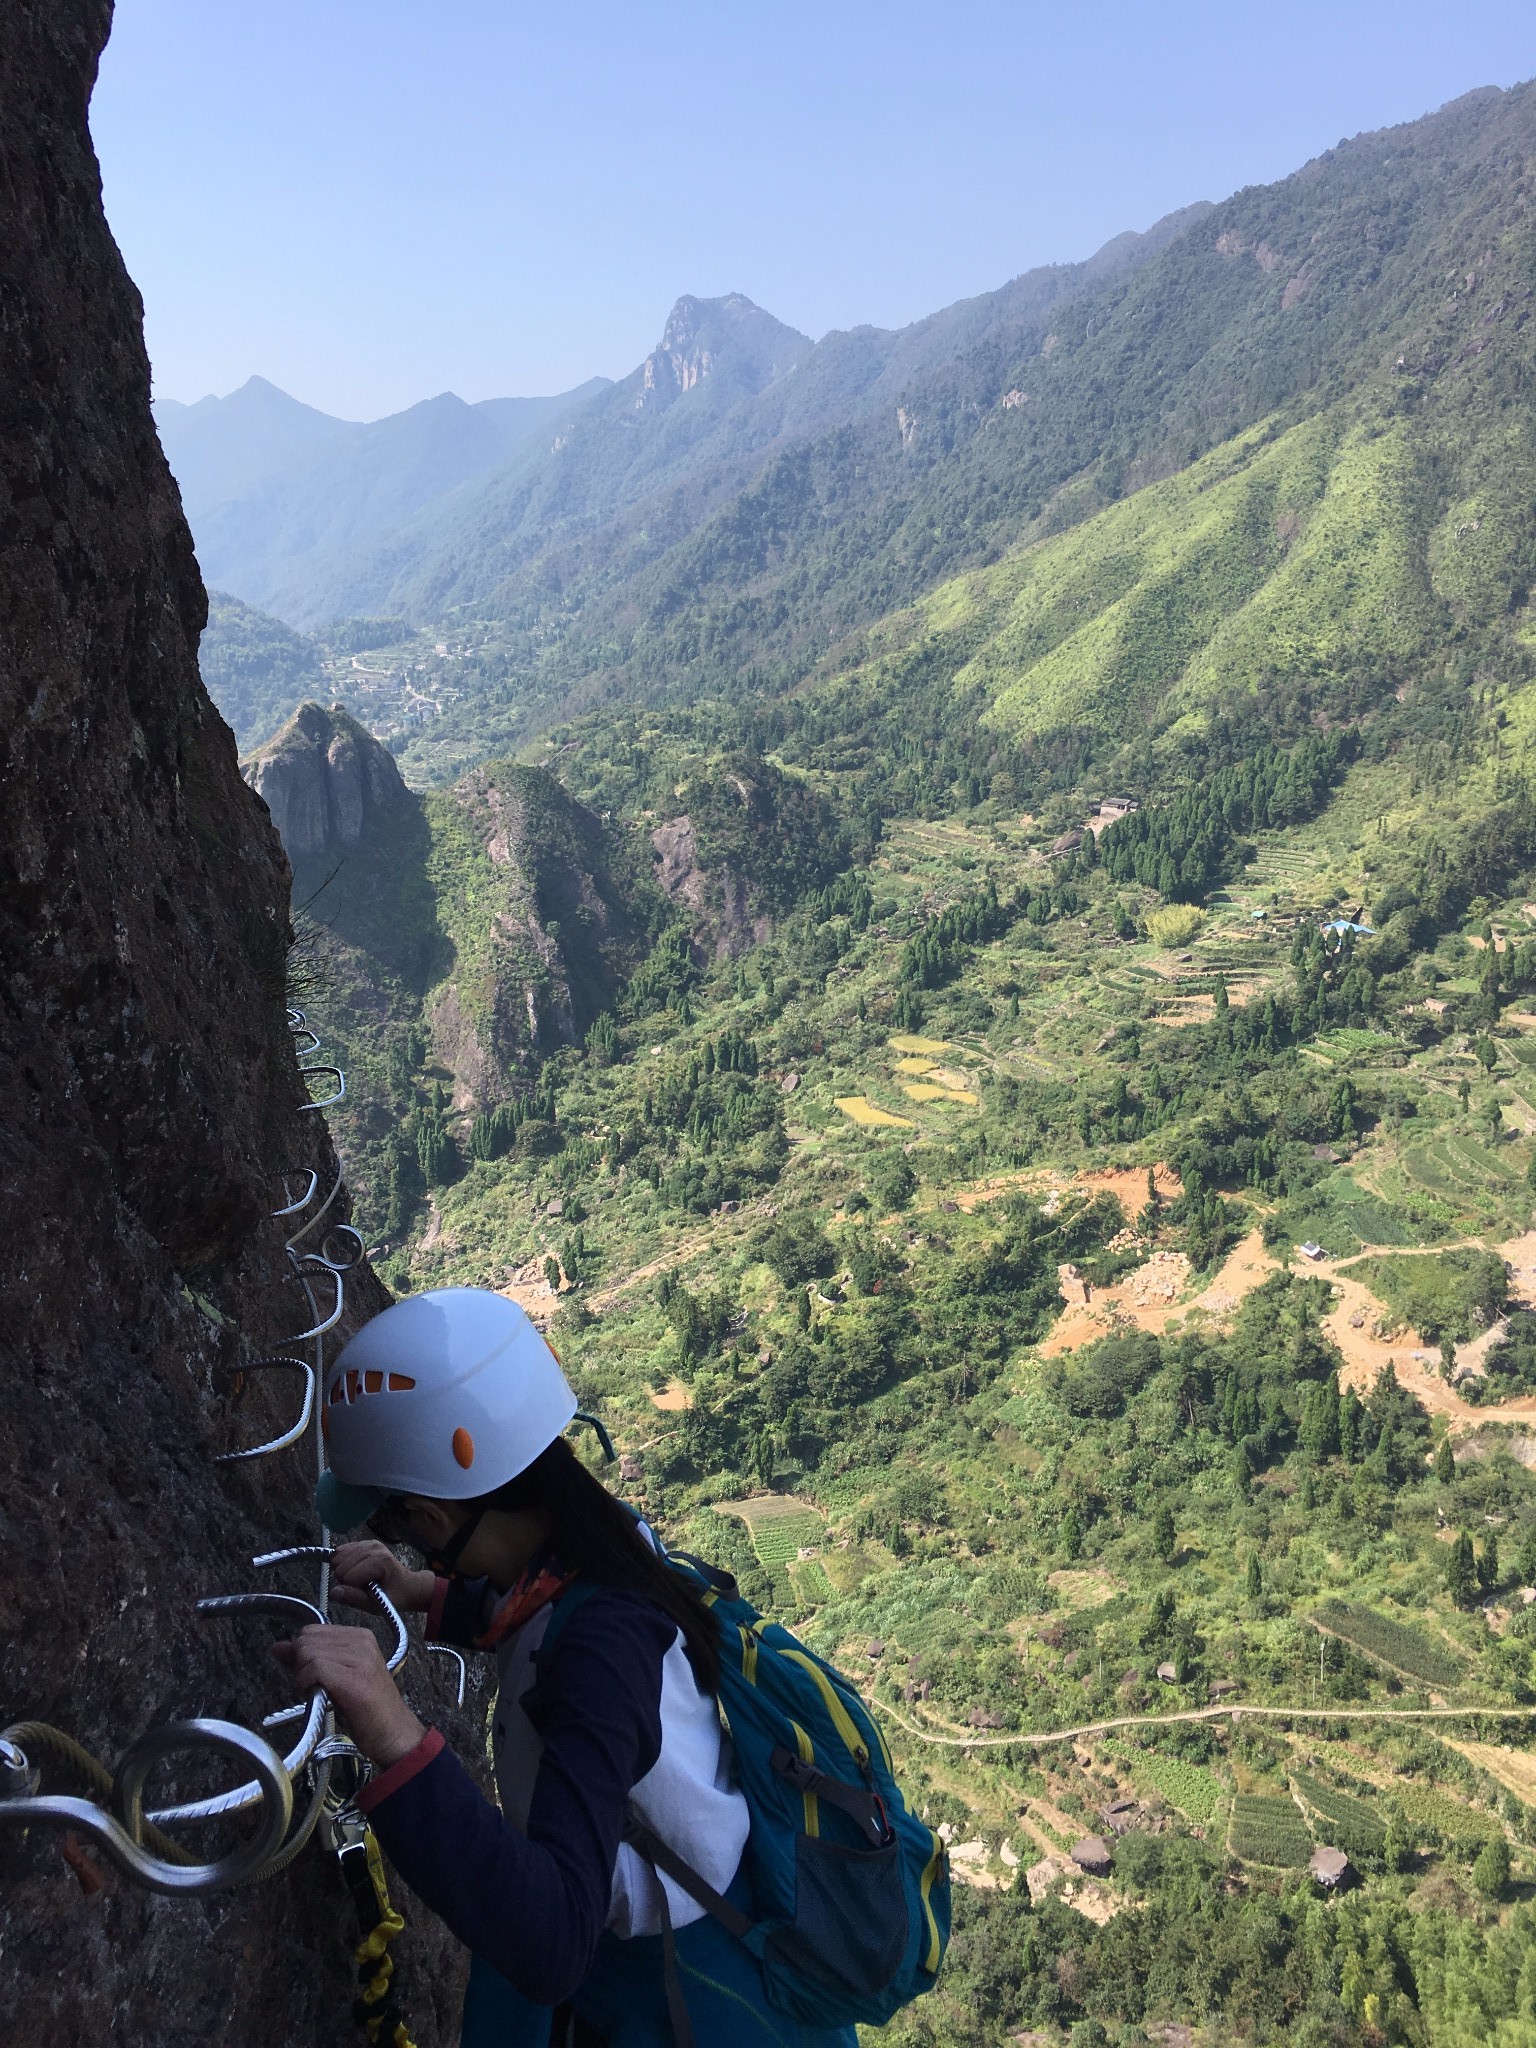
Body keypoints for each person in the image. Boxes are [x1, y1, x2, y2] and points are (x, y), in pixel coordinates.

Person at [275, 1286, 854, 2048]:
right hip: (682, 1947)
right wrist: (427, 1593)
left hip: (679, 1997)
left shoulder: (604, 1648)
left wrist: (391, 1730)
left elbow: (550, 1946)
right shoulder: (604, 1544)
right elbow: (538, 1612)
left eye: (394, 1518)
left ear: (430, 1518)